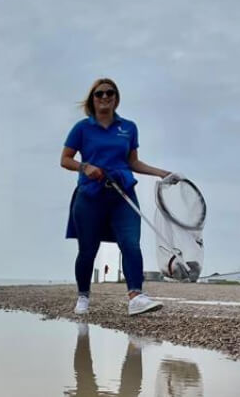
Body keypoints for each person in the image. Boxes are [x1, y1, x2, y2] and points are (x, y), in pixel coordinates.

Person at [61, 78, 175, 316]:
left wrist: (160, 173)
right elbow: (65, 160)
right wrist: (85, 167)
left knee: (131, 244)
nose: (105, 97)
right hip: (90, 196)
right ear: (92, 99)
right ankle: (83, 296)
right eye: (99, 94)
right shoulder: (82, 128)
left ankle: (136, 296)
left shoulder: (128, 127)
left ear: (116, 97)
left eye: (109, 93)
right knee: (87, 250)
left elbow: (132, 162)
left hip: (122, 195)